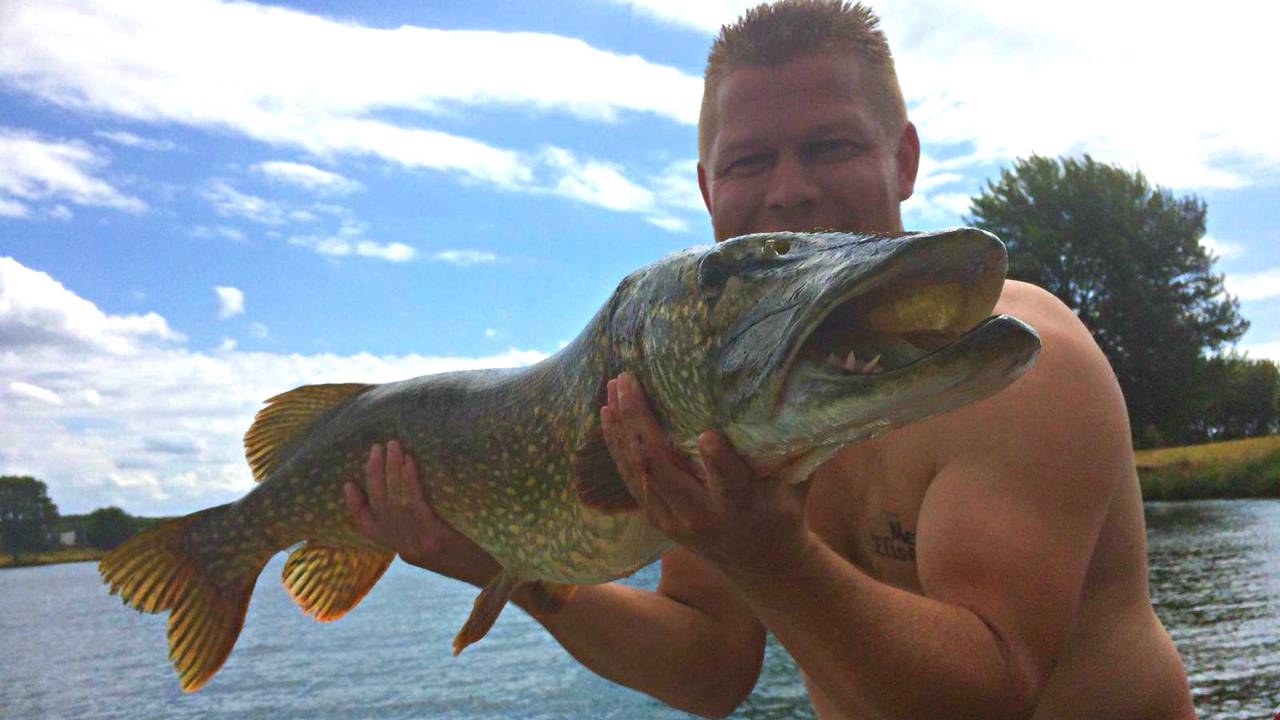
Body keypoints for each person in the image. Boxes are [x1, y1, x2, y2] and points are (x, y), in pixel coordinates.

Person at [343, 2, 1197, 717]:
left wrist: (770, 555)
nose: (789, 189)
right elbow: (709, 665)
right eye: (751, 160)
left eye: (830, 146)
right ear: (708, 190)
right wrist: (502, 568)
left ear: (903, 160)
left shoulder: (1016, 369)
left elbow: (994, 691)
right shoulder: (725, 394)